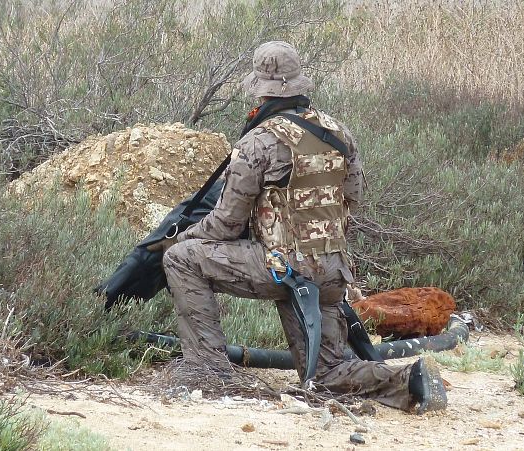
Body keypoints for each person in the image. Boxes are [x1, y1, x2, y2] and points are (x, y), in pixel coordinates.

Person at [151, 41, 446, 414]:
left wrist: (179, 238)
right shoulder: (339, 133)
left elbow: (225, 223)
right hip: (332, 272)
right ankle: (410, 379)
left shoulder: (258, 141)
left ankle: (208, 371)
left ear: (260, 91)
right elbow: (352, 199)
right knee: (327, 372)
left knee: (181, 258)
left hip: (282, 269)